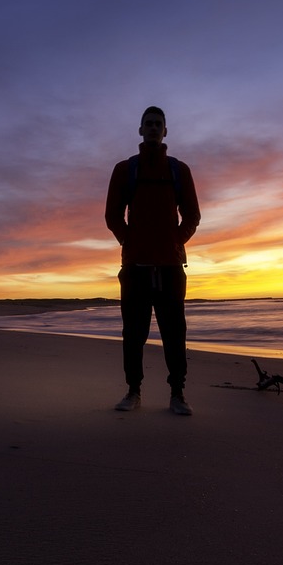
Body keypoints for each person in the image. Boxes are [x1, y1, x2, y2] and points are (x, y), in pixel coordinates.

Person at [104, 106, 201, 415]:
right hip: (135, 268)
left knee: (175, 333)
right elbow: (112, 215)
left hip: (171, 268)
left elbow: (193, 215)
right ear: (140, 130)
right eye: (149, 124)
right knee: (133, 334)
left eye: (159, 124)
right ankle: (133, 391)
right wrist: (130, 242)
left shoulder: (178, 170)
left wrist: (175, 241)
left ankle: (177, 394)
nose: (154, 128)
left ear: (166, 131)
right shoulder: (125, 169)